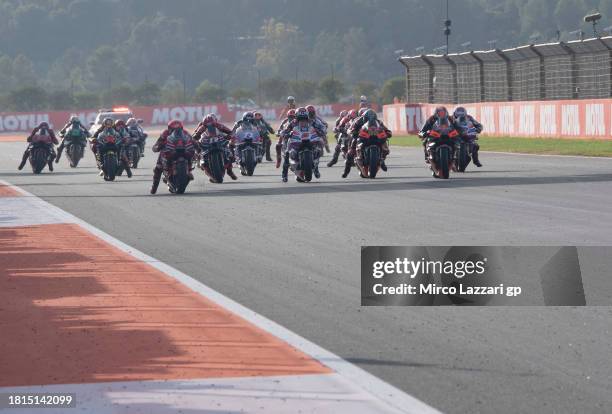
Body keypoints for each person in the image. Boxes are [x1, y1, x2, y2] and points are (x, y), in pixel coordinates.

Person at [280, 107, 325, 182]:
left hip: (310, 139)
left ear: (307, 115)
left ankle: (316, 169)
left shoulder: (312, 121)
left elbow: (322, 127)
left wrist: (322, 131)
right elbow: (285, 129)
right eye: (300, 117)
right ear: (296, 116)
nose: (302, 119)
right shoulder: (292, 123)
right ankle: (284, 175)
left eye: (304, 117)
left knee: (318, 148)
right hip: (296, 140)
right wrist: (284, 133)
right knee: (287, 153)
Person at [343, 110, 392, 178]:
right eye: (368, 118)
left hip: (375, 138)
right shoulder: (358, 121)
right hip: (363, 137)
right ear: (364, 118)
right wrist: (352, 132)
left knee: (386, 149)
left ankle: (382, 160)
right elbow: (350, 129)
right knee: (350, 152)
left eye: (372, 118)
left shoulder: (378, 122)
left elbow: (385, 129)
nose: (370, 120)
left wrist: (388, 132)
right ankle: (346, 171)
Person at [150, 120, 193, 194]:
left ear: (181, 128)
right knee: (158, 167)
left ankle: (188, 171)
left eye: (178, 129)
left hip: (183, 151)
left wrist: (197, 146)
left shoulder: (185, 133)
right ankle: (154, 187)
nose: (176, 131)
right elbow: (158, 143)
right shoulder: (165, 133)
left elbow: (192, 140)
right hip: (170, 151)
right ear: (169, 129)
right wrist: (157, 146)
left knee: (192, 155)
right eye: (173, 129)